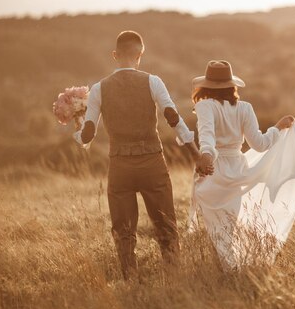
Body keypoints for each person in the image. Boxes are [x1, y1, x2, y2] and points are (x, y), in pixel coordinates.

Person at [73, 30, 205, 279]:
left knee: (123, 230)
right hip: (152, 162)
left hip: (120, 165)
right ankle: (173, 276)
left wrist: (77, 131)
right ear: (140, 55)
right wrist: (194, 152)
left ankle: (131, 278)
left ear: (115, 55)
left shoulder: (100, 88)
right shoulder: (152, 81)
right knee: (166, 225)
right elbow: (172, 116)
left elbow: (88, 134)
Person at [189, 60, 295, 269]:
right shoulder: (245, 108)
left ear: (206, 85)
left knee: (216, 229)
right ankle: (229, 270)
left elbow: (207, 137)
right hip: (238, 168)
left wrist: (206, 156)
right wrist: (277, 128)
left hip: (214, 169)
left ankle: (225, 271)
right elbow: (260, 144)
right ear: (232, 85)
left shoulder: (204, 106)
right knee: (229, 227)